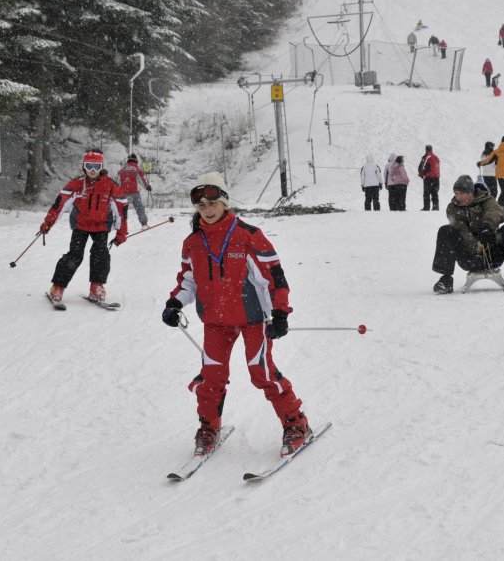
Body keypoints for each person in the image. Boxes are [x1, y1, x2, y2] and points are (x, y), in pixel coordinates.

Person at [161, 172, 311, 457]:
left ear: (225, 203)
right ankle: (209, 427)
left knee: (262, 373)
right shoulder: (192, 243)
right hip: (216, 322)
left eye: (212, 202)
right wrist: (175, 304)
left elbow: (274, 278)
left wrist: (280, 313)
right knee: (211, 377)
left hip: (253, 319)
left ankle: (296, 423)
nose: (207, 209)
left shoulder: (248, 236)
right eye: (201, 205)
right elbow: (188, 281)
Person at [41, 150, 128, 304]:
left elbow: (121, 210)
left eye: (96, 166)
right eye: (89, 166)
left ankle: (96, 286)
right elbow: (59, 205)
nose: (93, 170)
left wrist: (121, 232)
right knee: (74, 255)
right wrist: (48, 223)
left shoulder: (110, 185)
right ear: (84, 167)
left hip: (101, 226)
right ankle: (58, 287)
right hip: (80, 225)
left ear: (102, 167)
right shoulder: (76, 184)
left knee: (101, 254)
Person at [431, 175, 504, 294]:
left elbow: (496, 211)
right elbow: (461, 230)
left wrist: (487, 226)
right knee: (446, 230)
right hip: (469, 257)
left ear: (470, 193)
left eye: (460, 193)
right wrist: (477, 250)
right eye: (456, 193)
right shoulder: (453, 208)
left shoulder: (486, 199)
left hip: (493, 253)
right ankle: (446, 280)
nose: (457, 197)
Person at [117, 153, 152, 229]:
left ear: (128, 160)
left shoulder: (122, 170)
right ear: (136, 160)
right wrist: (147, 186)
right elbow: (141, 181)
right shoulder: (137, 169)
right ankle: (144, 224)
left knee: (122, 210)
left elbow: (118, 183)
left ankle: (121, 227)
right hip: (134, 193)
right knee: (139, 208)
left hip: (123, 193)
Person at [418, 145, 441, 211]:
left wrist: (421, 174)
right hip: (436, 178)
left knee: (426, 193)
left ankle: (426, 207)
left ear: (426, 149)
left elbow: (423, 166)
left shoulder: (426, 157)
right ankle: (436, 207)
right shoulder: (436, 157)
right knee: (435, 193)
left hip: (429, 178)